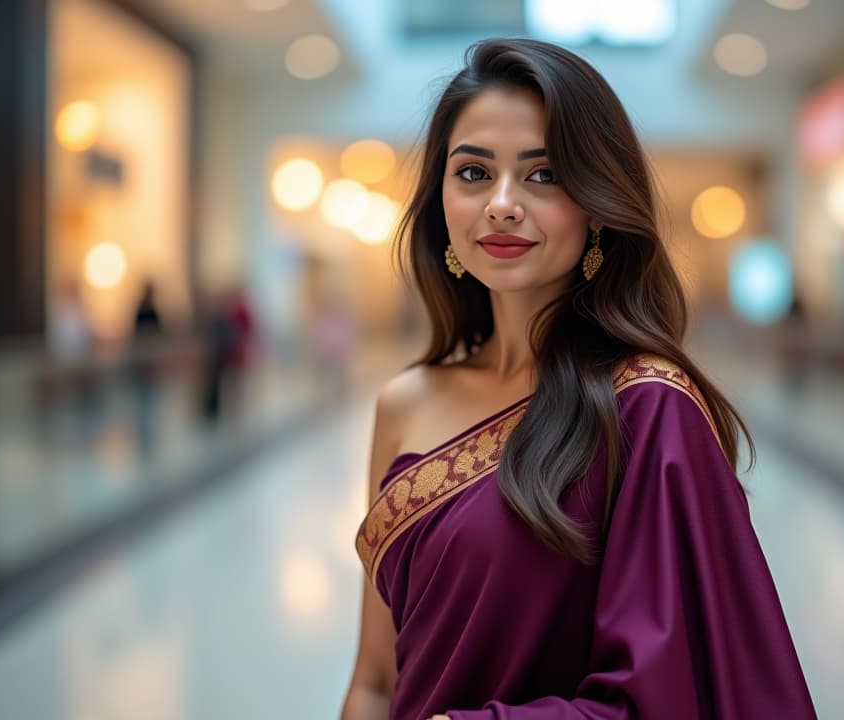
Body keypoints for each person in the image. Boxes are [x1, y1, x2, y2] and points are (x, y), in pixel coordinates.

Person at [342, 38, 817, 720]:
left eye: (545, 175)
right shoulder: (404, 403)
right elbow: (375, 681)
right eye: (473, 173)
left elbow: (670, 699)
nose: (502, 204)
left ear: (597, 204)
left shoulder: (649, 410)